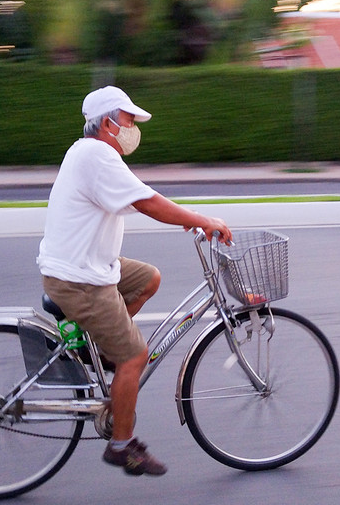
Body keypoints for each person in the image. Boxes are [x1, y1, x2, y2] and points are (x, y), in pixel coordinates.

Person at [37, 86, 232, 476]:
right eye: (127, 120)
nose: (131, 128)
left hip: (87, 266)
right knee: (135, 357)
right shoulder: (97, 156)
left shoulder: (89, 152)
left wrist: (187, 217)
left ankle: (104, 350)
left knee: (148, 279)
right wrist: (201, 220)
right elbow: (147, 201)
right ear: (107, 122)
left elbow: (138, 198)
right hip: (80, 280)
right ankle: (122, 445)